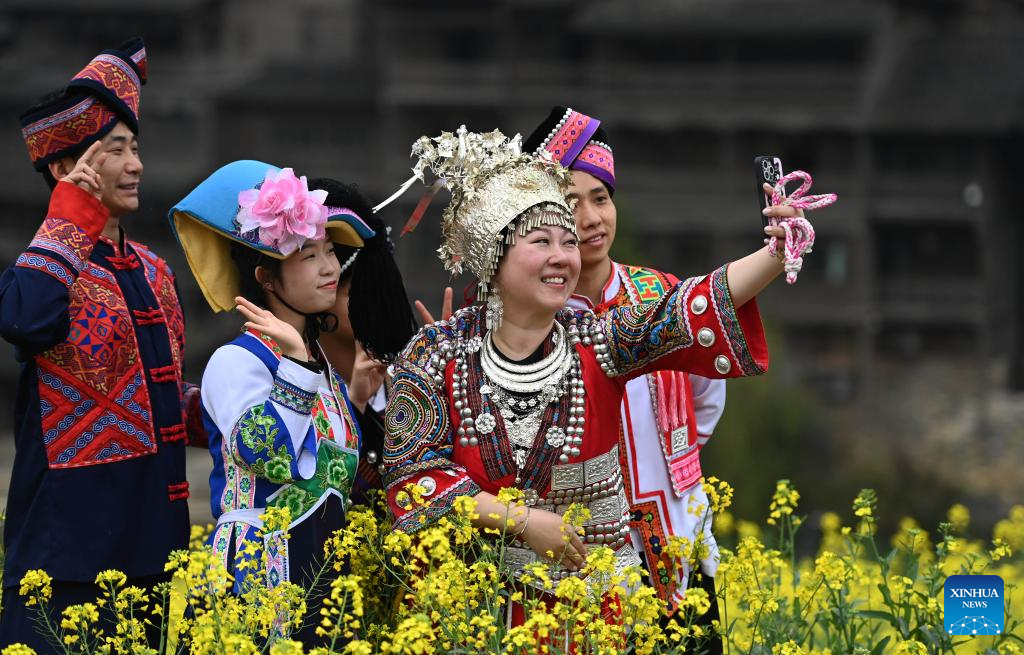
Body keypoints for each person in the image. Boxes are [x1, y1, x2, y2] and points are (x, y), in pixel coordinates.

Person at [377, 126, 810, 629]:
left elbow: (691, 308)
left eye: (568, 241)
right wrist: (523, 522)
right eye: (542, 241)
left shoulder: (598, 341)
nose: (565, 254)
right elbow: (412, 479)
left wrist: (777, 253)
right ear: (492, 259)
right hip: (478, 613)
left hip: (595, 611)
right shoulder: (434, 352)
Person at [0, 38, 202, 653]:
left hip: (156, 544)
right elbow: (26, 319)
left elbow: (159, 392)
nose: (135, 163)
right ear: (66, 169)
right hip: (68, 557)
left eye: (135, 147)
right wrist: (71, 217)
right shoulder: (45, 268)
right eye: (115, 150)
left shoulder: (155, 268)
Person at [524, 106, 727, 638]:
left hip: (675, 531)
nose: (592, 219)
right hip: (580, 549)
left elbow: (706, 393)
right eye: (571, 203)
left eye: (602, 198)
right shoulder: (526, 321)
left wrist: (669, 461)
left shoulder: (661, 293)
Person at [168, 160, 378, 644]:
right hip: (259, 574)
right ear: (266, 278)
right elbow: (267, 454)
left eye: (330, 252)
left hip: (322, 578)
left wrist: (359, 404)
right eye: (309, 255)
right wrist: (301, 367)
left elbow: (334, 479)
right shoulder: (235, 361)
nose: (330, 267)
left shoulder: (320, 367)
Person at [311, 177, 419, 505]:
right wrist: (354, 405)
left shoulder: (406, 379)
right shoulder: (297, 385)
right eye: (356, 290)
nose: (377, 302)